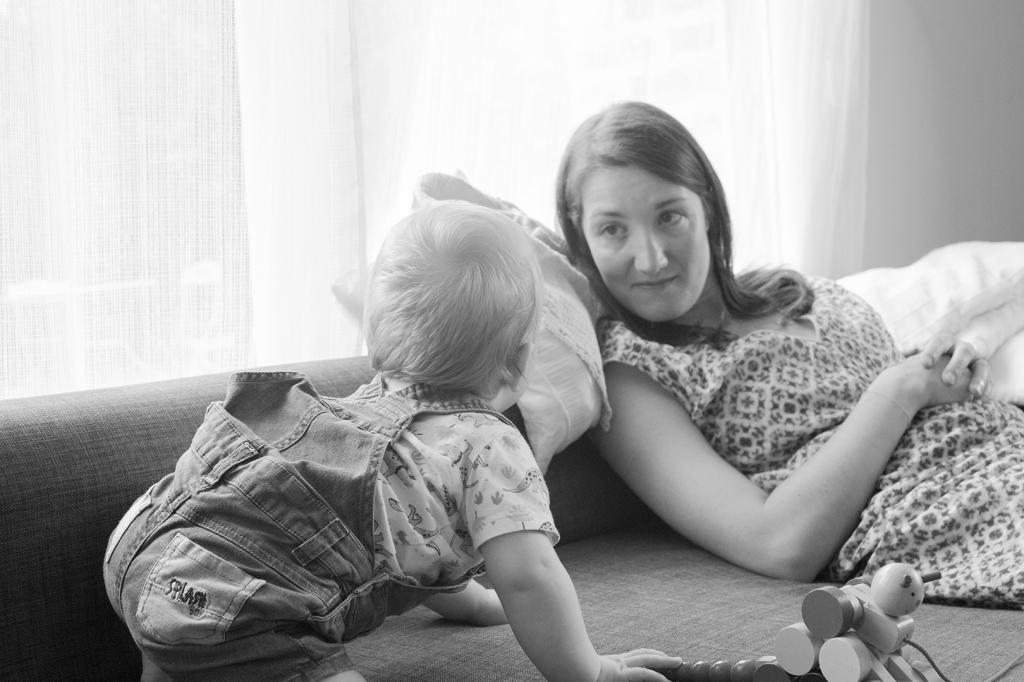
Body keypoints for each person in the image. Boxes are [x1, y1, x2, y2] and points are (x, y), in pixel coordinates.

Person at [103, 201, 680, 682]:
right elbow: (529, 575)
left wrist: (475, 603)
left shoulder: (360, 406)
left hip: (145, 546)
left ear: (377, 338)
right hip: (243, 603)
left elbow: (407, 538)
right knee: (227, 640)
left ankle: (170, 653)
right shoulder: (490, 446)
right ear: (520, 361)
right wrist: (591, 671)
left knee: (189, 640)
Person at [555, 101, 1024, 608]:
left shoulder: (799, 289)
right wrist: (900, 389)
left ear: (707, 207)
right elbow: (780, 545)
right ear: (582, 240)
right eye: (612, 229)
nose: (650, 257)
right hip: (954, 517)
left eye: (669, 216)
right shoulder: (630, 377)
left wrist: (941, 366)